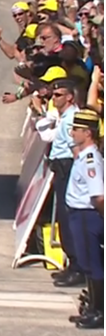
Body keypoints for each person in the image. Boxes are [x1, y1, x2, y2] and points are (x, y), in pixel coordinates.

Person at [35, 79, 84, 287]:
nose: (54, 99)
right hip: (61, 167)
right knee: (63, 218)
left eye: (58, 95)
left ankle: (78, 267)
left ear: (69, 97)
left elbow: (77, 150)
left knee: (68, 217)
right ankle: (72, 265)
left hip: (68, 168)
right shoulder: (65, 117)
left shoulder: (73, 118)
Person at [65, 108, 104, 329]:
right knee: (87, 263)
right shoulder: (83, 155)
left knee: (93, 264)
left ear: (88, 133)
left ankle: (99, 311)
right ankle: (92, 306)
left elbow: (98, 195)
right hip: (79, 215)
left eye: (77, 129)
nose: (73, 133)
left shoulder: (91, 161)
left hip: (87, 216)